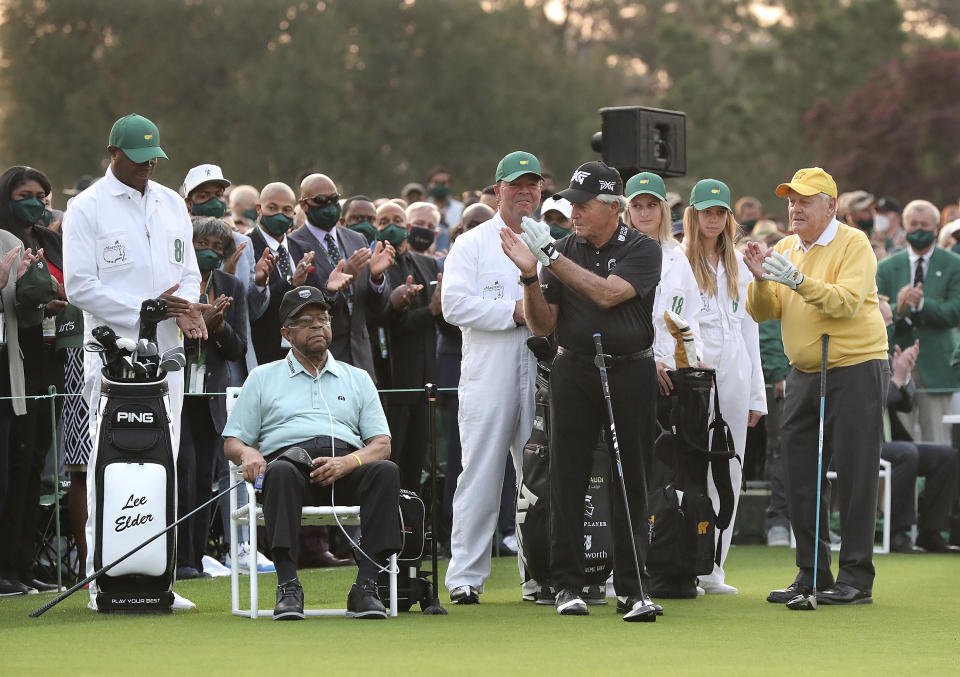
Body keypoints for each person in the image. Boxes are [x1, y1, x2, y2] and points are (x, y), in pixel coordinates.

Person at [499, 159, 661, 617]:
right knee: (565, 476)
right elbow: (543, 323)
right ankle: (565, 584)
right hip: (574, 370)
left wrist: (550, 259)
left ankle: (632, 588)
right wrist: (531, 276)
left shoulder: (642, 249)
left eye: (584, 205)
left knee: (632, 476)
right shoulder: (564, 247)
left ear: (613, 207)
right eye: (572, 204)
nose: (574, 213)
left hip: (631, 371)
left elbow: (608, 293)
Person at [62, 113, 209, 608]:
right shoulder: (87, 207)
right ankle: (99, 578)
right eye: (138, 160)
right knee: (112, 459)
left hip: (167, 350)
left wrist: (186, 306)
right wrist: (144, 312)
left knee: (162, 458)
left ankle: (158, 578)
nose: (147, 168)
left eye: (153, 160)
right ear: (113, 154)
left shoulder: (171, 203)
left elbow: (188, 271)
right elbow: (80, 286)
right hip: (112, 354)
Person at [744, 167, 889, 605]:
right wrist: (760, 277)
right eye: (791, 200)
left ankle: (856, 579)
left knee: (854, 472)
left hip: (855, 367)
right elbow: (762, 312)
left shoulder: (853, 243)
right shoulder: (787, 246)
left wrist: (796, 280)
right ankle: (812, 573)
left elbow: (845, 303)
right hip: (804, 373)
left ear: (831, 205)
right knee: (800, 475)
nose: (795, 207)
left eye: (806, 200)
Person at [223, 286, 401, 620]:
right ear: (286, 334)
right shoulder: (262, 377)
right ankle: (288, 585)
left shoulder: (357, 377)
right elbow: (233, 441)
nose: (317, 326)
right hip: (290, 469)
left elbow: (381, 444)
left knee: (386, 471)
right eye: (305, 322)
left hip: (345, 467)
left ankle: (366, 587)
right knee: (280, 472)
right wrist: (248, 454)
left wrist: (348, 462)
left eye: (322, 319)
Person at [441, 151, 541, 604]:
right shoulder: (471, 243)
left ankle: (537, 574)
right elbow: (453, 305)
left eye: (533, 184)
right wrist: (514, 312)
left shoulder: (548, 241)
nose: (525, 192)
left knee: (537, 478)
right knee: (479, 474)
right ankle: (465, 576)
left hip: (539, 372)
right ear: (498, 189)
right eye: (515, 184)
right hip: (487, 372)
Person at [682, 179, 765, 594]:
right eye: (705, 212)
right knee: (691, 467)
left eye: (719, 213)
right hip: (696, 371)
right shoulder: (679, 259)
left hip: (735, 369)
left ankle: (714, 567)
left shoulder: (738, 263)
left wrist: (756, 395)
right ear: (693, 215)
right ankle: (684, 561)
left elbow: (751, 333)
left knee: (729, 470)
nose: (712, 219)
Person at [175, 216, 249, 579]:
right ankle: (177, 558)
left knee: (205, 476)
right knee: (183, 470)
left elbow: (238, 349)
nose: (209, 253)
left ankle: (196, 557)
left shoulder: (231, 285)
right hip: (175, 391)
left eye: (217, 249)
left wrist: (219, 326)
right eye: (202, 245)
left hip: (211, 396)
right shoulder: (175, 282)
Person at [0, 169, 58, 595]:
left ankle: (21, 564)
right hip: (9, 365)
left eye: (41, 195)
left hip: (45, 361)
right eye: (25, 195)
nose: (35, 202)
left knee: (34, 466)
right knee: (9, 468)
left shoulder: (50, 240)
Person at [287, 174, 394, 381]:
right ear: (304, 204)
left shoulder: (356, 239)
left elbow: (377, 308)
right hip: (319, 355)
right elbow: (298, 306)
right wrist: (334, 287)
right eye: (321, 200)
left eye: (334, 199)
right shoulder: (293, 244)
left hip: (360, 354)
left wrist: (376, 278)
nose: (329, 206)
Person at [373, 201, 445, 491]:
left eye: (398, 219)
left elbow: (441, 319)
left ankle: (413, 527)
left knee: (418, 462)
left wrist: (442, 308)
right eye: (384, 221)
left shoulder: (426, 263)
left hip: (426, 380)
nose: (392, 225)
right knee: (394, 460)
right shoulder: (375, 268)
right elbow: (389, 323)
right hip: (394, 380)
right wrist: (431, 310)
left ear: (408, 226)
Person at [876, 199, 960, 445]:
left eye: (925, 224)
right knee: (901, 443)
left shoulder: (954, 265)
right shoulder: (887, 267)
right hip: (897, 366)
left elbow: (955, 311)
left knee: (938, 441)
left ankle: (935, 486)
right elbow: (874, 311)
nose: (919, 229)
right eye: (913, 224)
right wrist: (899, 308)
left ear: (936, 228)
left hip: (937, 366)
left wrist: (922, 305)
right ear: (904, 226)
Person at [880, 306, 960, 554]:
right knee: (906, 453)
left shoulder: (884, 356)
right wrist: (896, 381)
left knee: (946, 456)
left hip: (887, 443)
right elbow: (865, 404)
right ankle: (896, 533)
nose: (890, 327)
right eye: (886, 320)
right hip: (855, 444)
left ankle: (930, 532)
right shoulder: (854, 357)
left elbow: (906, 404)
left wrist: (904, 376)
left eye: (891, 321)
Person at [622, 172, 703, 396]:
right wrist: (648, 361)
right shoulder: (617, 256)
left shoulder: (677, 256)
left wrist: (694, 359)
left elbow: (691, 315)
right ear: (627, 210)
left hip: (675, 372)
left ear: (663, 209)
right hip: (631, 369)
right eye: (637, 205)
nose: (645, 212)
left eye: (652, 204)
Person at [246, 181, 315, 364]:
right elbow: (251, 305)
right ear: (259, 209)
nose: (279, 215)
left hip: (302, 352)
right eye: (272, 207)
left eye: (286, 209)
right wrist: (291, 283)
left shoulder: (302, 249)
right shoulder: (246, 247)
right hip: (262, 351)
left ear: (294, 212)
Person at [426, 166, 463, 253]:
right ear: (429, 184)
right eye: (436, 182)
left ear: (449, 184)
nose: (439, 186)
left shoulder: (460, 208)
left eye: (443, 183)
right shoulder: (423, 208)